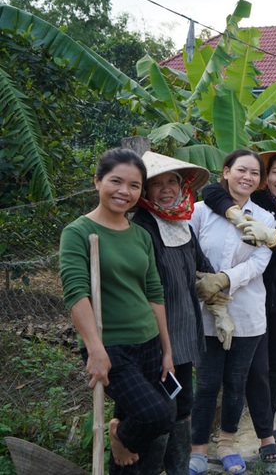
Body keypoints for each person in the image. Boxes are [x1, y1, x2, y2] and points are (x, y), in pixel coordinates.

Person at [201, 150, 276, 463]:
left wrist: (271, 236)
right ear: (265, 178)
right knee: (250, 369)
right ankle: (264, 432)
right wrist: (234, 214)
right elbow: (211, 191)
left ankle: (266, 425)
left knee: (275, 366)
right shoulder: (255, 202)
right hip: (246, 295)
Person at [59, 148, 175, 474]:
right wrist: (94, 349)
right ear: (97, 181)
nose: (125, 192)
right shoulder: (78, 232)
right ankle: (119, 435)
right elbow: (76, 294)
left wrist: (167, 349)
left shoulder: (140, 235)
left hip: (149, 342)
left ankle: (122, 442)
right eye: (116, 181)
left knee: (141, 437)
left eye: (135, 186)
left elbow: (154, 293)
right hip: (111, 347)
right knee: (157, 415)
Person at [129, 152, 220, 475]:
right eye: (157, 184)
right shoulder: (140, 228)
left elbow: (202, 268)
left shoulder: (180, 224)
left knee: (181, 406)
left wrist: (219, 282)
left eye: (172, 182)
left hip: (183, 336)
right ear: (145, 191)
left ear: (183, 187)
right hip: (153, 339)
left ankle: (178, 470)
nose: (166, 189)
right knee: (158, 412)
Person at [188, 149, 275, 475]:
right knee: (208, 383)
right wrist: (206, 285)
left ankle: (227, 445)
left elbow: (259, 262)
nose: (247, 177)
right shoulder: (199, 211)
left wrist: (225, 280)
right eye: (241, 170)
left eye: (254, 173)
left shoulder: (264, 219)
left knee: (237, 382)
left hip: (247, 311)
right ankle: (197, 449)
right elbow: (189, 250)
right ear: (225, 172)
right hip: (206, 311)